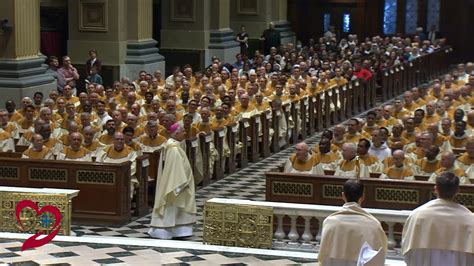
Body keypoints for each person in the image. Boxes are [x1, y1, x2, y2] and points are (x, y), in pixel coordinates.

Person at [402, 172, 474, 265]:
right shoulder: (470, 219)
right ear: (457, 191)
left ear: (436, 189)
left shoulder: (418, 215)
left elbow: (407, 250)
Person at [318, 180, 387, 265]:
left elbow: (323, 256)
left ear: (343, 195)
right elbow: (380, 254)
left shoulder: (330, 222)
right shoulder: (373, 225)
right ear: (363, 196)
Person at [149, 123, 196, 239]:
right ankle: (165, 231)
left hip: (175, 182)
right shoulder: (173, 149)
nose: (185, 133)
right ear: (176, 133)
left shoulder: (171, 145)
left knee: (175, 207)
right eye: (183, 131)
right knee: (172, 205)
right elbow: (175, 168)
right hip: (175, 184)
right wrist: (179, 185)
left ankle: (178, 230)